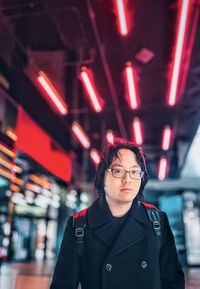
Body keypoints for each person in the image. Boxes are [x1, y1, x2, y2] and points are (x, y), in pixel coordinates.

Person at [50, 140, 185, 289]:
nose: (127, 179)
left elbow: (173, 281)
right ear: (102, 175)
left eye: (134, 172)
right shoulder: (79, 225)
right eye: (118, 171)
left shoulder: (157, 221)